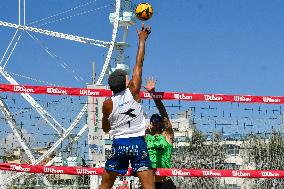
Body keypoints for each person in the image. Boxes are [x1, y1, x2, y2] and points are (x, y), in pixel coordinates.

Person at [99, 23, 154, 189]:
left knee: (106, 185)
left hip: (120, 144)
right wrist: (142, 40)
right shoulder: (133, 91)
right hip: (138, 142)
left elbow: (105, 129)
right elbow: (139, 62)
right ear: (126, 82)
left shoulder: (107, 104)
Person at [144, 77, 177, 189]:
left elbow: (164, 114)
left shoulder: (167, 135)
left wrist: (154, 95)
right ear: (150, 124)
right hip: (148, 182)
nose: (155, 123)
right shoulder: (146, 136)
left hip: (164, 182)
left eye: (157, 121)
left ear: (161, 123)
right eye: (153, 121)